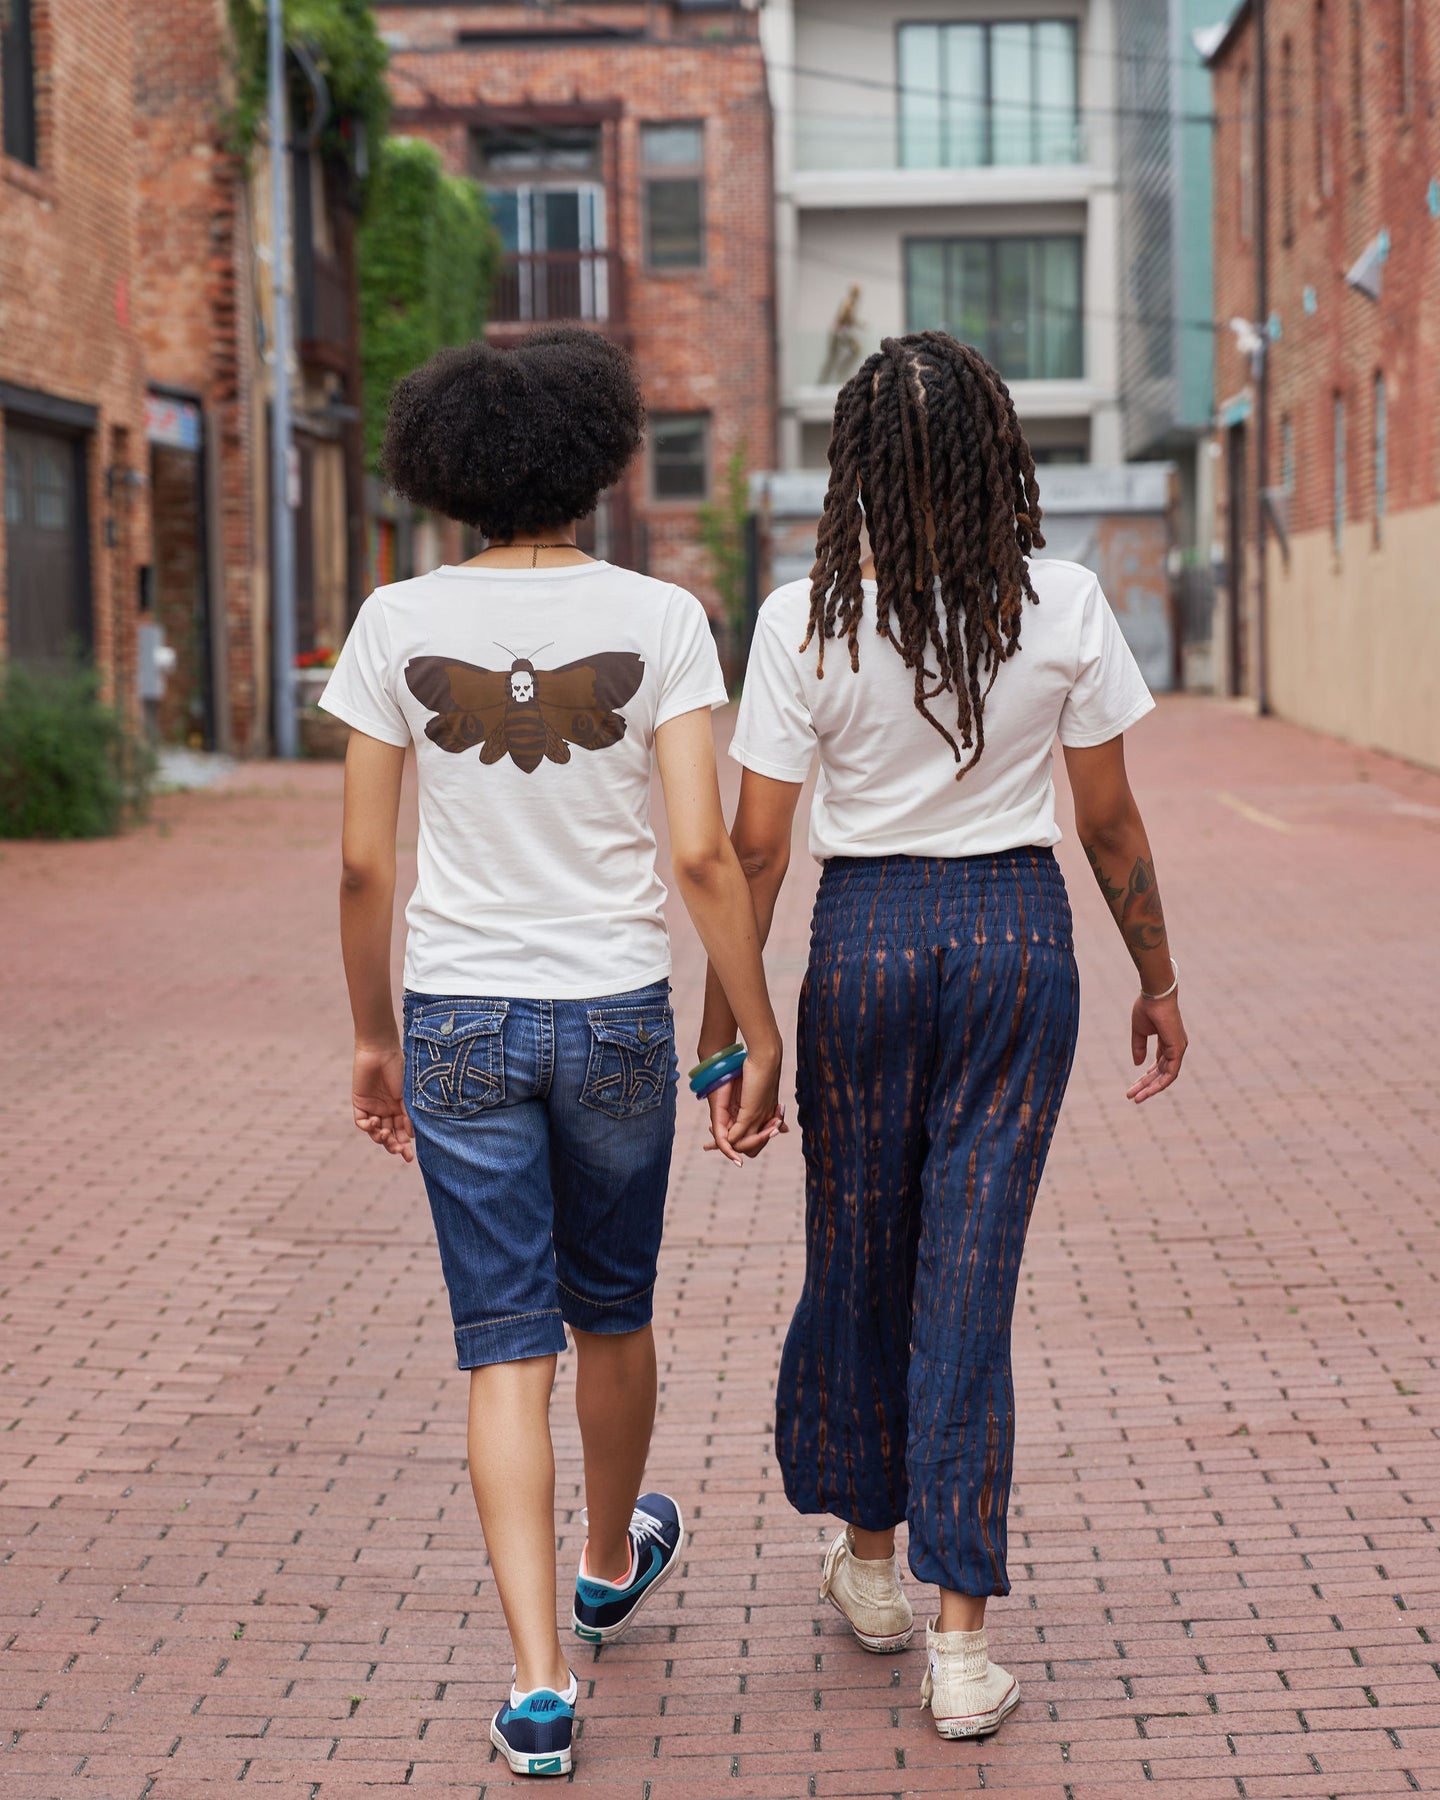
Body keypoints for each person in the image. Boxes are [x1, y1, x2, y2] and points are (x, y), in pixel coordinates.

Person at [699, 332, 1188, 1740]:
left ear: (853, 465)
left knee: (860, 1254)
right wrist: (1158, 979)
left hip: (861, 943)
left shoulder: (802, 619)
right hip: (1017, 943)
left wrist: (730, 1036)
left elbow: (754, 848)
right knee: (970, 1276)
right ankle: (962, 1648)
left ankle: (869, 1565)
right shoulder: (1064, 601)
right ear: (998, 451)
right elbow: (1107, 820)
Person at [319, 328, 783, 1778]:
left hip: (456, 1012)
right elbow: (702, 853)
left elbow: (362, 866)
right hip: (616, 1015)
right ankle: (606, 1563)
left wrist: (371, 1036)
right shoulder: (662, 617)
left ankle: (537, 1688)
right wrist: (756, 1025)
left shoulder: (396, 622)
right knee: (613, 1311)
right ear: (599, 459)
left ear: (445, 468)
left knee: (501, 1350)